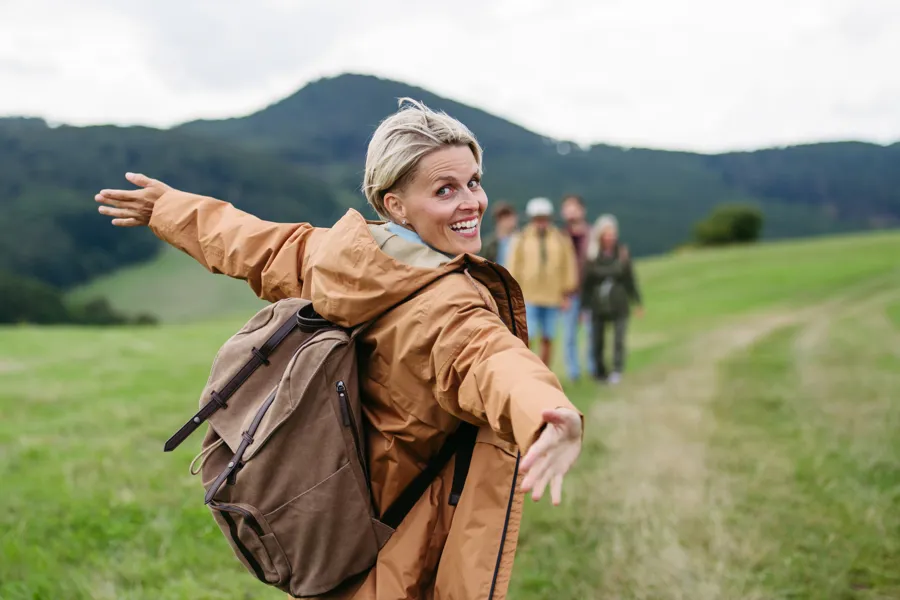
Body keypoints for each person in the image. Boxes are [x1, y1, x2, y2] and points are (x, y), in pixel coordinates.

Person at [95, 99, 582, 600]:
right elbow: (490, 360)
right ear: (395, 205)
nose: (471, 202)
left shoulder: (344, 257)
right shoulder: (447, 304)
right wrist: (548, 414)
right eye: (444, 189)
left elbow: (255, 243)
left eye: (473, 182)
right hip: (404, 549)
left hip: (342, 522)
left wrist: (168, 209)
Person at [506, 197, 578, 368]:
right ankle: (529, 371)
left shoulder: (561, 238)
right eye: (538, 219)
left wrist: (567, 292)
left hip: (553, 297)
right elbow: (513, 266)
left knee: (549, 336)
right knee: (527, 337)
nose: (541, 223)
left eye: (544, 219)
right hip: (528, 296)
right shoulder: (521, 238)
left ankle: (545, 371)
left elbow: (568, 265)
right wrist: (513, 293)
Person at [581, 214, 644, 384]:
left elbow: (630, 279)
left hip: (619, 302)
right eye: (607, 233)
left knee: (619, 339)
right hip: (597, 305)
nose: (610, 237)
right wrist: (583, 307)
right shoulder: (592, 256)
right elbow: (586, 284)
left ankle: (617, 370)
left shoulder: (622, 253)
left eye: (612, 233)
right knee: (597, 340)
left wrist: (637, 302)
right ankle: (600, 372)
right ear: (600, 235)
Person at [560, 194, 594, 381]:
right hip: (569, 294)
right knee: (569, 335)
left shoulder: (592, 233)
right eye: (567, 207)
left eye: (574, 207)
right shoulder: (559, 236)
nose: (570, 211)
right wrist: (562, 294)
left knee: (592, 333)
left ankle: (592, 367)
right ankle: (573, 373)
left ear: (582, 210)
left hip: (590, 292)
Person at [480, 201, 518, 267]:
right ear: (497, 220)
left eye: (510, 216)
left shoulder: (523, 240)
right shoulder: (488, 243)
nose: (508, 221)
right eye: (504, 218)